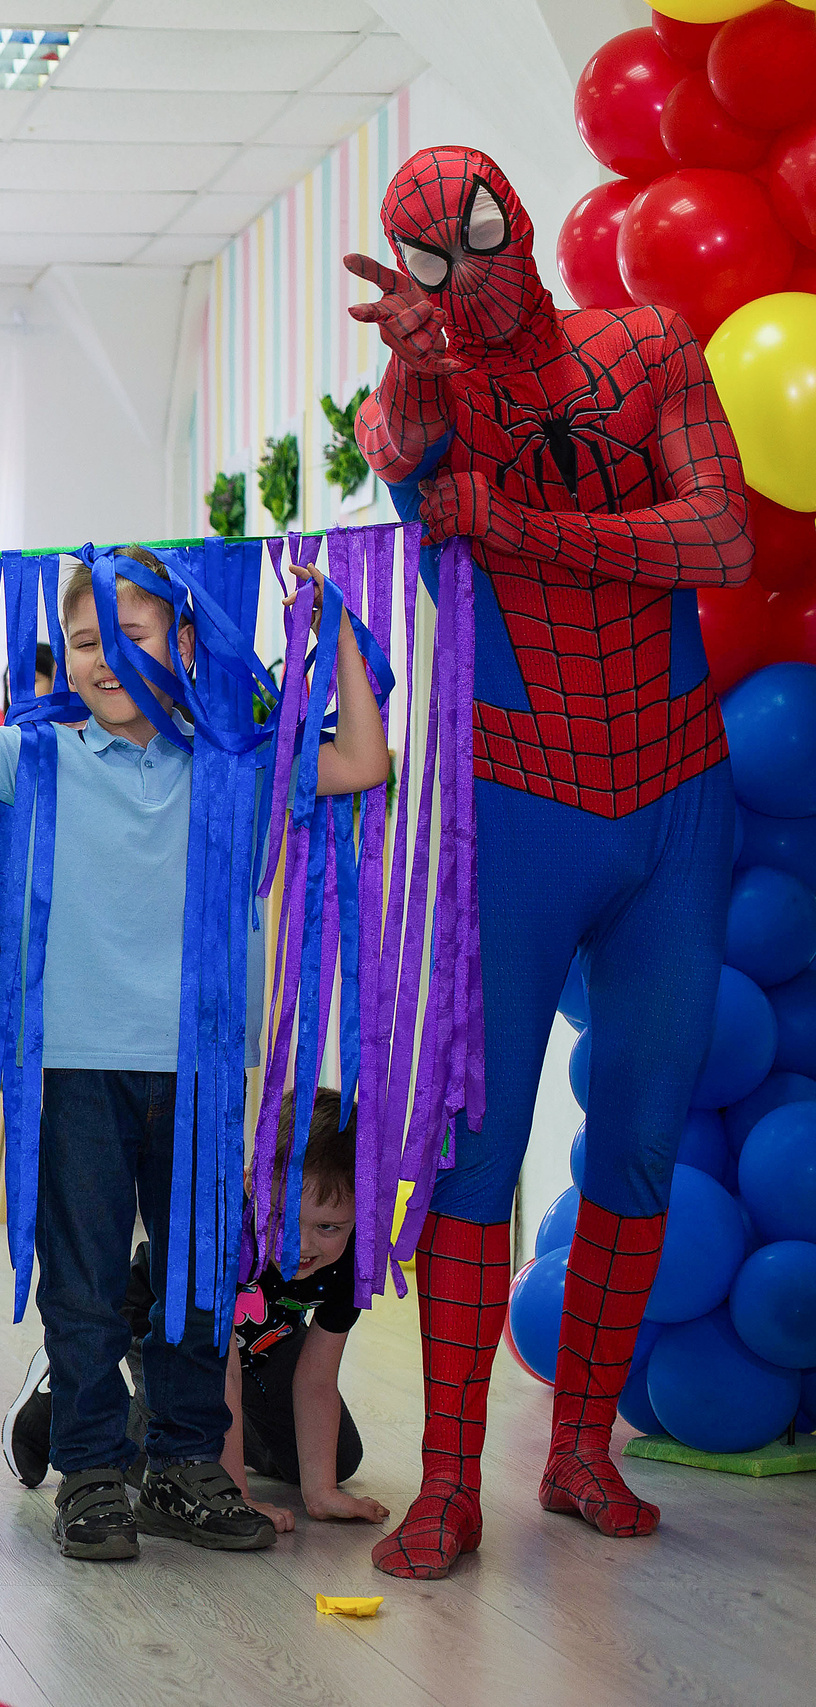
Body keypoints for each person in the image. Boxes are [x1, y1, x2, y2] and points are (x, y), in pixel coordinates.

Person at [347, 145, 749, 1579]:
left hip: (676, 793)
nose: (467, 269)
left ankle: (581, 1446)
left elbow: (721, 532)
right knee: (470, 1139)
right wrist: (418, 366)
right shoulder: (421, 385)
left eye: (481, 234)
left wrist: (516, 524)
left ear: (515, 216)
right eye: (434, 256)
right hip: (515, 795)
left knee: (641, 1125)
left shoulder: (644, 342)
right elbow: (401, 450)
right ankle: (447, 1478)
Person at [0, 523, 388, 1562]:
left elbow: (363, 757)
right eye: (82, 640)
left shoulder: (231, 769)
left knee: (198, 1279)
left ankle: (181, 1465)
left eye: (126, 633)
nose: (100, 658)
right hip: (72, 1066)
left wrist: (338, 619)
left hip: (202, 1070)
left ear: (182, 642)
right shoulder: (39, 754)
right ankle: (91, 1473)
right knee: (82, 1287)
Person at [1, 1089, 390, 1537]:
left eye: (328, 1227)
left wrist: (321, 1495)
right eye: (280, 1218)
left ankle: (219, 1441)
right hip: (162, 1321)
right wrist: (235, 1496)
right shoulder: (225, 1235)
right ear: (250, 1182)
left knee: (339, 1459)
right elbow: (219, 1371)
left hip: (262, 1342)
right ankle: (67, 1399)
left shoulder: (354, 1261)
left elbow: (317, 1378)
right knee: (168, 1455)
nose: (298, 1246)